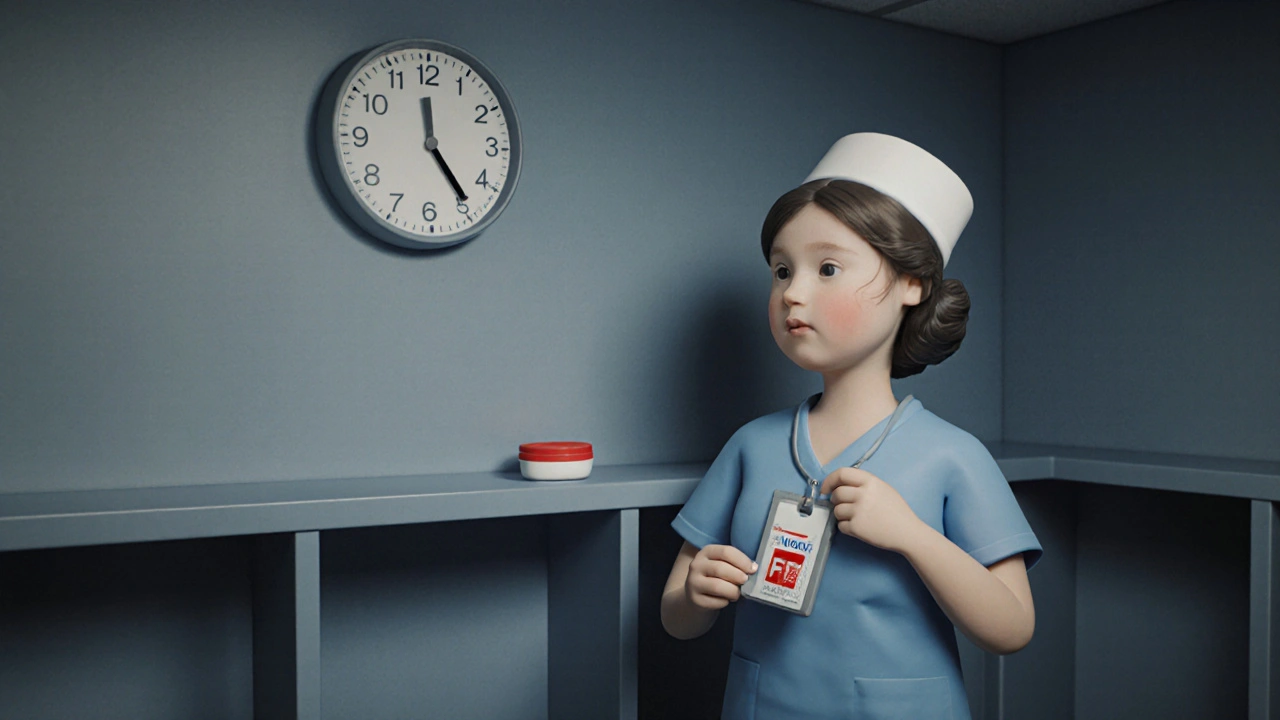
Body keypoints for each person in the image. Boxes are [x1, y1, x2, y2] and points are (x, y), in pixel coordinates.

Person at [661, 133, 1042, 720]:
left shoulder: (953, 456)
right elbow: (677, 619)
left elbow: (1013, 627)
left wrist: (912, 535)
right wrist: (696, 592)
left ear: (912, 285)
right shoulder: (751, 446)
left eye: (828, 267)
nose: (793, 293)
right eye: (782, 270)